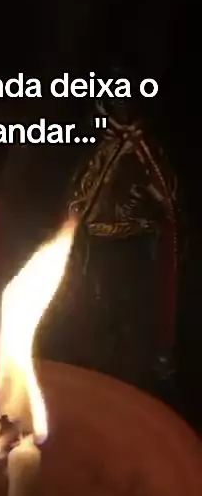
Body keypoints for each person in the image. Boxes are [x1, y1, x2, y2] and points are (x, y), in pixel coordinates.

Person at [67, 73, 177, 385]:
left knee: (132, 307)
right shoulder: (104, 145)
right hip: (98, 241)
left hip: (132, 242)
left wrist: (150, 196)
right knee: (96, 303)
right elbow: (85, 188)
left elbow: (166, 195)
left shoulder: (144, 148)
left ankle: (137, 370)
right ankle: (99, 365)